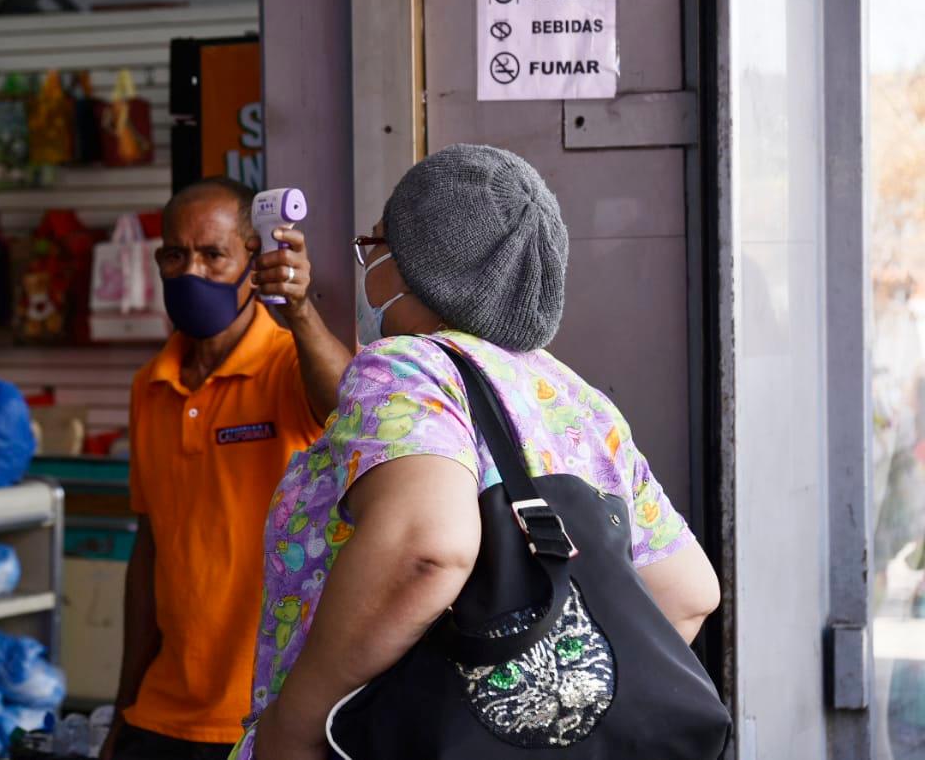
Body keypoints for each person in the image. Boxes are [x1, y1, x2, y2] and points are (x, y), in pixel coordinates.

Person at [232, 145, 723, 759]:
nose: (368, 263)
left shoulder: (408, 365)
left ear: (423, 268)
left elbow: (427, 549)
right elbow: (688, 592)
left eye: (377, 243)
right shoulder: (575, 399)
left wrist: (295, 726)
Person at [102, 178, 352, 760]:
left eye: (213, 255)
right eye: (174, 254)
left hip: (266, 714)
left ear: (253, 260)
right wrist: (121, 708)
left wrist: (300, 312)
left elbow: (351, 407)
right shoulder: (150, 386)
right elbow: (150, 552)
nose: (191, 271)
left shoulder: (287, 365)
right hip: (160, 713)